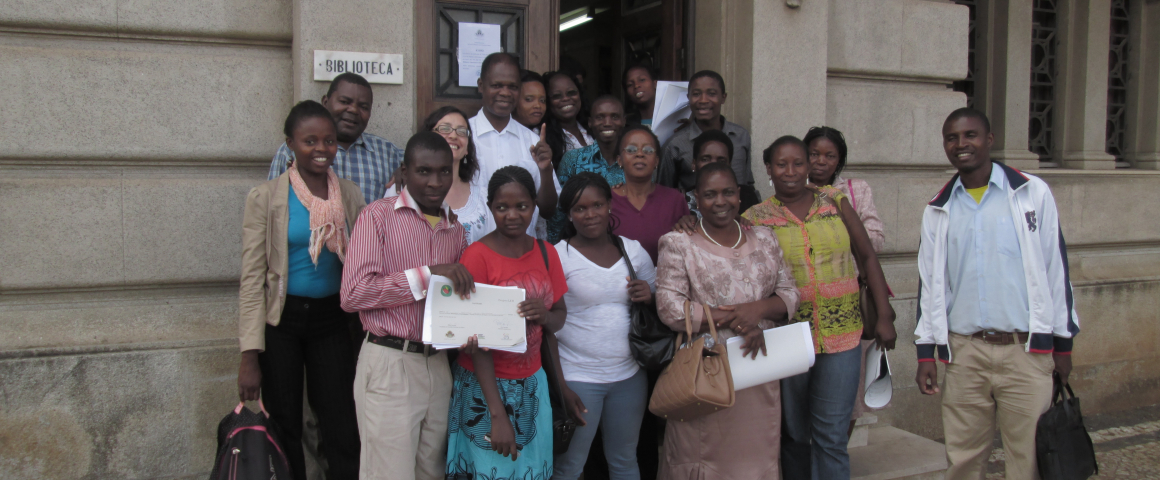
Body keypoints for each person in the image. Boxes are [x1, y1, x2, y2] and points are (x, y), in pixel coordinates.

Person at [914, 108, 1079, 480]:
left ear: (989, 140)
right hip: (965, 353)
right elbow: (931, 284)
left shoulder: (1031, 193)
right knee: (963, 459)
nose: (961, 145)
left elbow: (1056, 270)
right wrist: (927, 351)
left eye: (970, 135)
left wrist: (1063, 345)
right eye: (952, 138)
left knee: (1029, 461)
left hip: (1026, 352)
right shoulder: (938, 209)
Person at [743, 136, 897, 480]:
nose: (791, 171)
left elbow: (867, 255)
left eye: (798, 163)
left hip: (842, 335)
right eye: (781, 164)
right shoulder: (755, 218)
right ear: (769, 169)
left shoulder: (835, 202)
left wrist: (884, 315)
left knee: (831, 436)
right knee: (795, 435)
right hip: (788, 338)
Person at [237, 100, 365, 480]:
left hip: (333, 321)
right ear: (290, 143)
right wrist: (249, 356)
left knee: (342, 424)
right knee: (286, 425)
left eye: (328, 141)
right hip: (282, 322)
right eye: (310, 141)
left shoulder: (349, 194)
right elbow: (251, 279)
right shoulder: (266, 198)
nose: (322, 149)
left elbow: (364, 261)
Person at [340, 131, 475, 480]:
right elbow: (353, 293)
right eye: (424, 171)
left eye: (444, 172)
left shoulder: (454, 230)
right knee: (389, 473)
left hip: (438, 363)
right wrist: (427, 275)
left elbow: (457, 300)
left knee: (431, 472)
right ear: (404, 172)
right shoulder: (376, 217)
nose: (435, 182)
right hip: (390, 362)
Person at [654, 162, 800, 479]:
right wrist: (733, 318)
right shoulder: (678, 243)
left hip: (760, 369)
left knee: (754, 459)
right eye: (710, 194)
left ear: (739, 194)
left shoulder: (765, 238)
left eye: (728, 193)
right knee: (706, 457)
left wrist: (758, 311)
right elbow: (669, 307)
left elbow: (789, 293)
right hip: (705, 374)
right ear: (695, 198)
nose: (720, 201)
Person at [446, 166, 574, 480]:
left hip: (532, 384)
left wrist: (544, 316)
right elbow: (476, 342)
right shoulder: (477, 256)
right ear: (490, 207)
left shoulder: (546, 253)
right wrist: (496, 413)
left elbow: (558, 318)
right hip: (484, 387)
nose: (512, 215)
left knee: (530, 471)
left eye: (522, 206)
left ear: (534, 205)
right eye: (502, 207)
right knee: (489, 470)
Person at [552, 173, 655, 480]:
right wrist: (562, 385)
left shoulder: (633, 251)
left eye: (597, 204)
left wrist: (649, 296)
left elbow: (660, 299)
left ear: (610, 205)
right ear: (569, 214)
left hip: (629, 375)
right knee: (570, 466)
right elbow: (547, 328)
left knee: (624, 460)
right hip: (578, 377)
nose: (590, 214)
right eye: (580, 208)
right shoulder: (558, 256)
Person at [802, 125, 888, 430]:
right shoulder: (791, 192)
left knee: (845, 399)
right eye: (814, 154)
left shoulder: (855, 190)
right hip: (805, 308)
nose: (821, 161)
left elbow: (875, 242)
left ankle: (836, 453)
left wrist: (839, 212)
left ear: (839, 161)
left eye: (830, 156)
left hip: (850, 305)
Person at [268, 72, 403, 205]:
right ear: (325, 102)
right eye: (344, 102)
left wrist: (406, 171)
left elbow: (420, 162)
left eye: (363, 107)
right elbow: (272, 206)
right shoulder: (291, 151)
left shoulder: (388, 152)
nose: (353, 110)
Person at [470, 52, 561, 239]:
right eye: (496, 85)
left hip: (521, 256)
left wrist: (545, 171)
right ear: (481, 86)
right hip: (471, 254)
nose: (505, 92)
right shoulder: (463, 136)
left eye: (512, 87)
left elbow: (548, 210)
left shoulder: (533, 142)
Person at [657, 70, 758, 210]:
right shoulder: (675, 145)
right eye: (696, 94)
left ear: (723, 97)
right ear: (688, 97)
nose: (703, 100)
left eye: (711, 93)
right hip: (693, 223)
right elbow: (664, 193)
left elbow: (747, 184)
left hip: (740, 220)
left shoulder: (741, 136)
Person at [547, 95, 627, 243]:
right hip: (582, 246)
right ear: (590, 122)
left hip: (627, 243)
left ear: (624, 121)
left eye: (614, 116)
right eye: (600, 117)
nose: (607, 123)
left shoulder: (635, 162)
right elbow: (559, 213)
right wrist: (553, 249)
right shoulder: (573, 160)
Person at [611, 125, 690, 264]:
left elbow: (687, 245)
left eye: (648, 150)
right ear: (619, 160)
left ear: (657, 161)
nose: (640, 154)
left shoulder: (674, 199)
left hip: (666, 281)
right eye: (631, 150)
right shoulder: (608, 201)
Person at [421, 106, 492, 244]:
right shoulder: (402, 189)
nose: (453, 136)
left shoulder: (483, 199)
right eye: (445, 129)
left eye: (461, 131)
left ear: (467, 149)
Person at [542, 70, 593, 169]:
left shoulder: (592, 127)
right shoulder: (540, 136)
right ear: (547, 101)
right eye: (557, 96)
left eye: (571, 93)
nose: (565, 99)